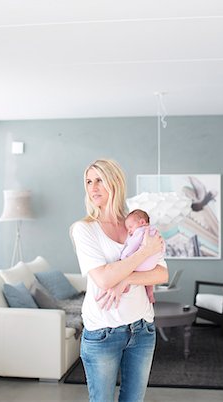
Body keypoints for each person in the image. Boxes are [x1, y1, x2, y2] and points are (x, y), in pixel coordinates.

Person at [70, 159, 168, 402]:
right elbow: (103, 279)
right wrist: (143, 254)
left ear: (115, 182)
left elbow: (162, 274)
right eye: (89, 181)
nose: (93, 187)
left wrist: (124, 280)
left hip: (142, 329)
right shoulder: (84, 229)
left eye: (99, 180)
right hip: (102, 331)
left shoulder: (138, 224)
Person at [121, 209, 165, 304]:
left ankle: (126, 285)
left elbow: (132, 245)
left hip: (142, 264)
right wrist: (160, 254)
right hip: (152, 265)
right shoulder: (155, 231)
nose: (129, 231)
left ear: (142, 222)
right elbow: (162, 244)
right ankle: (150, 294)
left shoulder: (140, 232)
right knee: (148, 280)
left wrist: (123, 257)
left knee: (128, 269)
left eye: (130, 227)